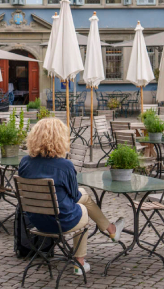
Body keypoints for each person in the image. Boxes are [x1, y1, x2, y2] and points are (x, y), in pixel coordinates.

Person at [17, 118, 124, 276]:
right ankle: (80, 262)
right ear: (60, 139)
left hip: (36, 221)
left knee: (84, 197)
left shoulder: (25, 162)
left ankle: (111, 229)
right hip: (60, 221)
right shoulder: (64, 165)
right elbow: (74, 196)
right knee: (83, 208)